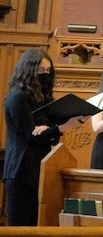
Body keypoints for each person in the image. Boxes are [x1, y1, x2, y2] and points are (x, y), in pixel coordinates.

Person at [3, 49, 88, 226]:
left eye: (48, 71)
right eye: (41, 71)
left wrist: (54, 127)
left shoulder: (42, 98)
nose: (45, 75)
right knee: (20, 226)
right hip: (21, 169)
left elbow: (48, 131)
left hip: (40, 167)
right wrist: (62, 127)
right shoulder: (17, 97)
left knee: (37, 224)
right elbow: (30, 136)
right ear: (29, 71)